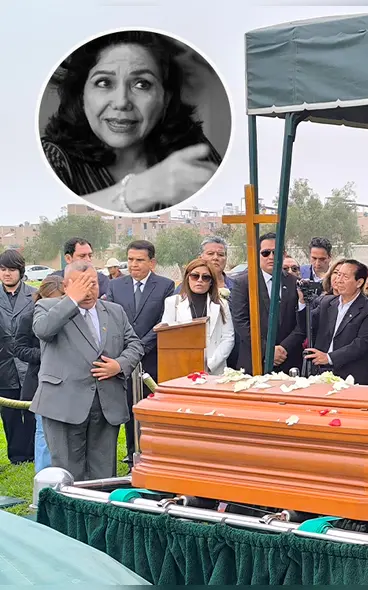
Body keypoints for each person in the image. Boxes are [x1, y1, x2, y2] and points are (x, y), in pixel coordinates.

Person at [41, 31, 221, 213]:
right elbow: (52, 216)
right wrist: (143, 189)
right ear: (81, 95)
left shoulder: (191, 149)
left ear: (166, 98)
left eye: (142, 84)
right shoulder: (53, 157)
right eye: (104, 83)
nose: (121, 102)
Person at [30, 261, 143, 481]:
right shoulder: (49, 307)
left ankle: (98, 514)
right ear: (66, 285)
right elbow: (43, 330)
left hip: (105, 403)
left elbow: (135, 344)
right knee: (68, 472)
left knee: (103, 473)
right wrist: (72, 300)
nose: (88, 291)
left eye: (92, 284)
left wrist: (119, 364)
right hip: (65, 404)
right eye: (79, 285)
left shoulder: (114, 311)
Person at [105, 239, 173, 465]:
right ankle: (131, 452)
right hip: (123, 359)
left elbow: (164, 321)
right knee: (128, 406)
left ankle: (152, 453)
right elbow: (112, 320)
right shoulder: (115, 286)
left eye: (140, 260)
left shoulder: (165, 286)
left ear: (152, 262)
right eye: (130, 260)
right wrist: (127, 353)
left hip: (151, 358)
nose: (134, 265)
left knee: (149, 407)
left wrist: (140, 348)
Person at [230, 232, 305, 374]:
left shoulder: (293, 282)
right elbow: (241, 322)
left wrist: (283, 349)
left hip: (288, 360)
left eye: (275, 252)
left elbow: (300, 323)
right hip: (255, 360)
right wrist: (268, 350)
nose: (271, 257)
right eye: (265, 253)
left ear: (283, 254)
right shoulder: (243, 283)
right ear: (257, 255)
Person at [13, 276, 64, 472]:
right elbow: (19, 348)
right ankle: (43, 477)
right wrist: (45, 355)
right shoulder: (28, 317)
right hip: (40, 380)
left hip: (69, 381)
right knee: (44, 430)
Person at [302, 260, 368, 383]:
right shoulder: (326, 302)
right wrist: (302, 303)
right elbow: (306, 325)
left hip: (350, 377)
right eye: (338, 274)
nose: (339, 280)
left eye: (345, 276)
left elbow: (362, 344)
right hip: (319, 374)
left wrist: (328, 357)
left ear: (359, 282)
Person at [158, 258, 235, 375]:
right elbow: (168, 339)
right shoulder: (172, 303)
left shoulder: (221, 304)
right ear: (187, 278)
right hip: (182, 367)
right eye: (195, 276)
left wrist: (210, 364)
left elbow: (228, 337)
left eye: (205, 277)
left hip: (214, 369)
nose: (200, 280)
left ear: (211, 282)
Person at [0, 250, 37, 464]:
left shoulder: (33, 295)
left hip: (29, 362)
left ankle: (32, 453)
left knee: (32, 409)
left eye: (11, 270)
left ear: (20, 272)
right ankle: (17, 455)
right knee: (10, 413)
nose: (7, 274)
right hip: (3, 363)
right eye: (3, 269)